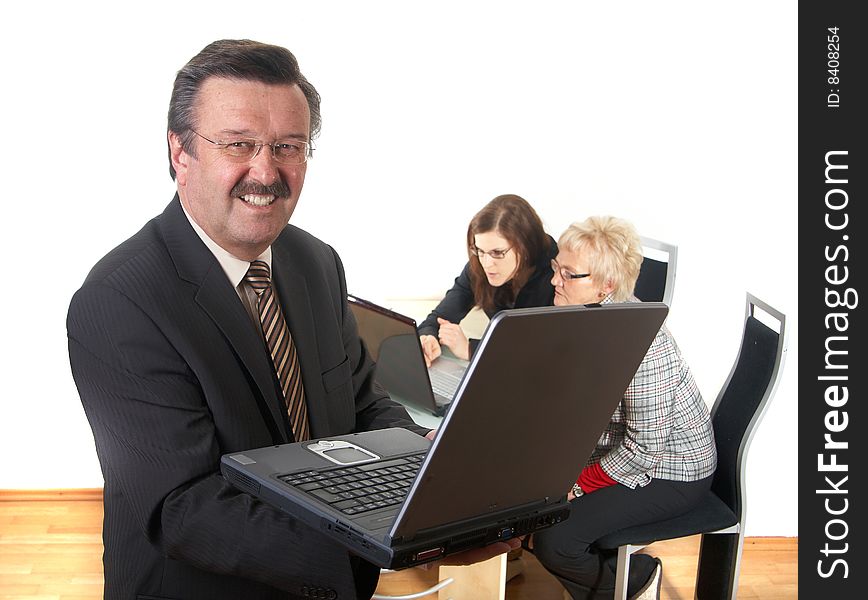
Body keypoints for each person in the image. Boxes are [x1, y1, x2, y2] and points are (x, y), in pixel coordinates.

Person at [66, 39, 517, 600]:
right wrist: (395, 543)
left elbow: (360, 404)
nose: (266, 170)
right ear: (180, 153)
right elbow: (183, 507)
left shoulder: (315, 262)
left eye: (288, 146)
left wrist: (435, 467)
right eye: (239, 144)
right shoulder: (119, 301)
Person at [529, 216, 717, 600]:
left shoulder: (644, 345)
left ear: (607, 284)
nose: (554, 281)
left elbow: (646, 449)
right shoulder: (582, 314)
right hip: (621, 453)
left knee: (554, 538)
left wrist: (578, 483)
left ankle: (635, 581)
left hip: (672, 470)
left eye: (569, 274)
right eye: (555, 269)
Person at [417, 194, 557, 365]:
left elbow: (542, 355)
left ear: (525, 246)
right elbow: (438, 319)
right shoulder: (478, 265)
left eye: (497, 253)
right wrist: (427, 338)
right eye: (480, 250)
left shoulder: (557, 278)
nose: (486, 264)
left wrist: (470, 349)